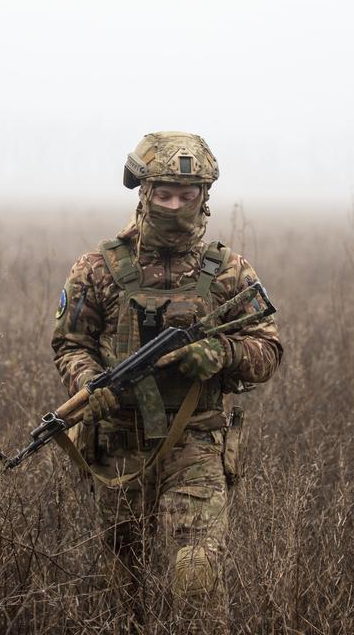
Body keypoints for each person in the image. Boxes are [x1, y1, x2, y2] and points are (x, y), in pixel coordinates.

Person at [50, 131, 282, 627]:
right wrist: (91, 385)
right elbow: (70, 344)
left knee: (196, 573)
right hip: (118, 445)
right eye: (163, 194)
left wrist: (222, 353)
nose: (175, 205)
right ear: (143, 192)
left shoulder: (229, 274)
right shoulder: (99, 268)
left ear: (204, 197)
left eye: (187, 195)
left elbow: (268, 350)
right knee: (120, 589)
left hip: (195, 442)